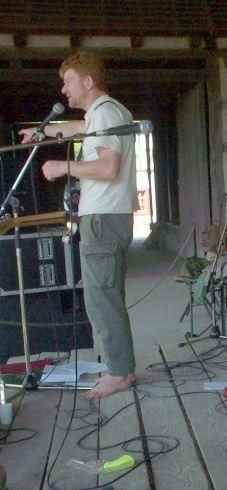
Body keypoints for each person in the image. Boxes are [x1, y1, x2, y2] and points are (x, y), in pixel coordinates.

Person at [20, 51, 138, 400]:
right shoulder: (107, 112)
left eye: (68, 81)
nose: (63, 89)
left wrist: (62, 167)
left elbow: (107, 167)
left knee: (101, 300)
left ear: (88, 81)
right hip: (110, 217)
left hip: (103, 219)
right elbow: (79, 129)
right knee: (105, 297)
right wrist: (43, 132)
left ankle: (119, 372)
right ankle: (121, 366)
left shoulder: (104, 112)